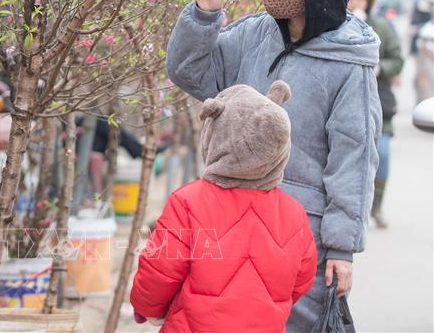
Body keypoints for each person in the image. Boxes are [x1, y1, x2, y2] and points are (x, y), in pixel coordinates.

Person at [165, 0, 381, 331]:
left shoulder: (350, 63)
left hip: (299, 229)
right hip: (230, 214)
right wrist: (204, 17)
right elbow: (191, 73)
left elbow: (354, 157)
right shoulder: (255, 34)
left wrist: (342, 247)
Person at [131, 81, 317, 332]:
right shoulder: (293, 212)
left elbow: (161, 269)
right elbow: (302, 279)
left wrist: (148, 309)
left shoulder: (188, 202)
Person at [348, 0, 404, 228]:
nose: (355, 3)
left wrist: (382, 68)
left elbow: (397, 58)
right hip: (348, 104)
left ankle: (376, 208)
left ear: (368, 1)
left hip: (380, 101)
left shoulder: (381, 26)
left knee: (381, 154)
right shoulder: (336, 26)